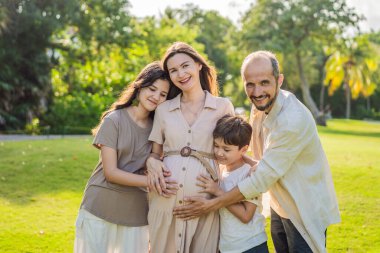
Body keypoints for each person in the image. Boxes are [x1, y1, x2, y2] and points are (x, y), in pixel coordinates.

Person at [173, 51, 341, 253]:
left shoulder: (291, 120)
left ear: (279, 80)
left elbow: (260, 178)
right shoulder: (260, 107)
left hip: (304, 205)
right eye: (250, 84)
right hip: (280, 204)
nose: (257, 91)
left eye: (264, 82)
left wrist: (212, 203)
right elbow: (260, 158)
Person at [74, 62, 177, 253]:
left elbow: (156, 157)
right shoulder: (114, 120)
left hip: (136, 214)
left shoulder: (159, 128)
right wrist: (154, 182)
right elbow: (111, 172)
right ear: (139, 87)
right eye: (152, 89)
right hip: (99, 208)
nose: (156, 97)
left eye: (163, 94)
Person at [146, 42, 235, 253]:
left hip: (204, 200)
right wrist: (151, 161)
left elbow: (234, 152)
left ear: (198, 65)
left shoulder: (223, 106)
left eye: (185, 66)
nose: (181, 74)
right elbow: (155, 152)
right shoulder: (164, 109)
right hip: (165, 199)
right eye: (173, 70)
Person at [197, 115, 268, 253]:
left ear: (243, 149)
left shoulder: (249, 174)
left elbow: (246, 216)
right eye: (216, 146)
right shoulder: (222, 170)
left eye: (226, 149)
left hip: (250, 246)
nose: (219, 152)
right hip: (229, 247)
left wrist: (218, 192)